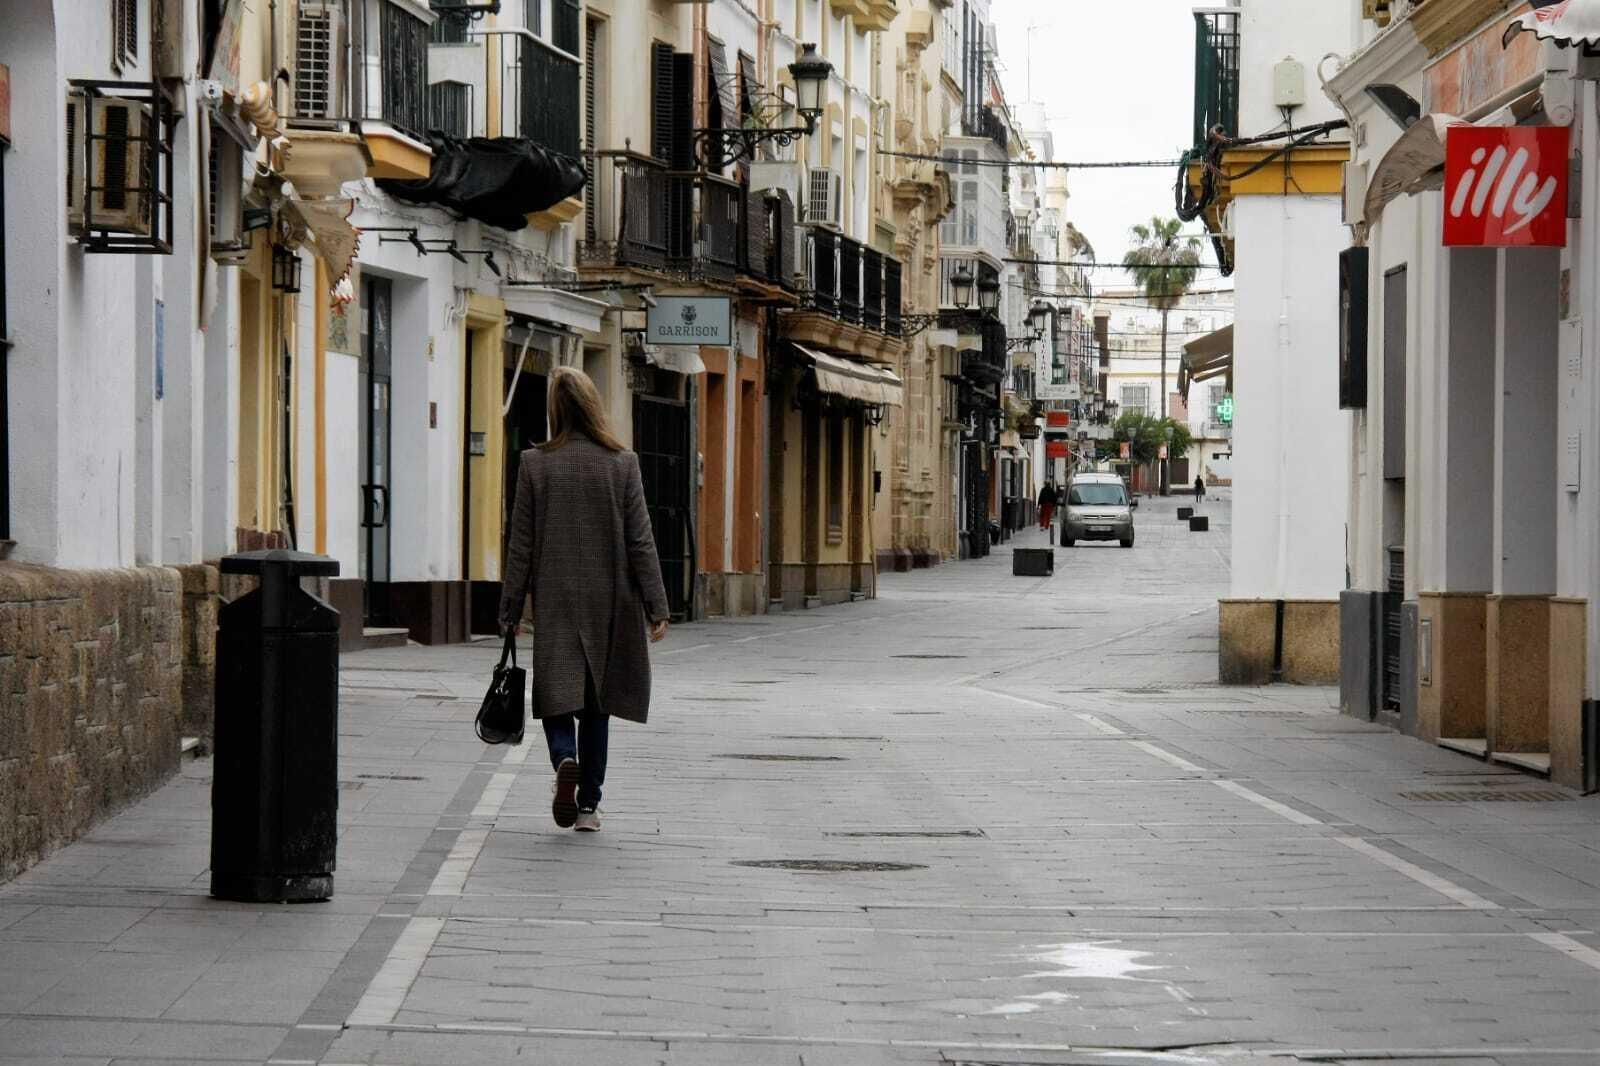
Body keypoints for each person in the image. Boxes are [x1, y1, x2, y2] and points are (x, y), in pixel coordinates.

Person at [499, 367, 671, 833]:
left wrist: (510, 608)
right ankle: (589, 807)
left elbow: (521, 544)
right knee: (598, 703)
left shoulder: (535, 464)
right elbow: (640, 540)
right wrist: (657, 605)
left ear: (555, 409)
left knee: (556, 697)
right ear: (594, 405)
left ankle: (563, 759)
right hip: (610, 602)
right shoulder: (623, 464)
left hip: (555, 598)